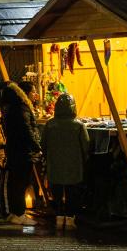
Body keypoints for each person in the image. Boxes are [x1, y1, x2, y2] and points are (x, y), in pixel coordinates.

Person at [42, 92, 89, 224]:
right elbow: (86, 146)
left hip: (55, 166)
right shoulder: (79, 125)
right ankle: (70, 218)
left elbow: (43, 144)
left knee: (56, 192)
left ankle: (58, 216)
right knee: (72, 192)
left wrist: (49, 158)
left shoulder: (49, 125)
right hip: (74, 166)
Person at [0, 80, 40, 225]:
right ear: (24, 93)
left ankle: (15, 212)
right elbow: (27, 129)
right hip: (23, 151)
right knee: (21, 183)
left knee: (15, 182)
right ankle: (20, 213)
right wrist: (36, 146)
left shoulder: (10, 108)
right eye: (33, 91)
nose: (35, 94)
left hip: (15, 150)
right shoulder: (22, 108)